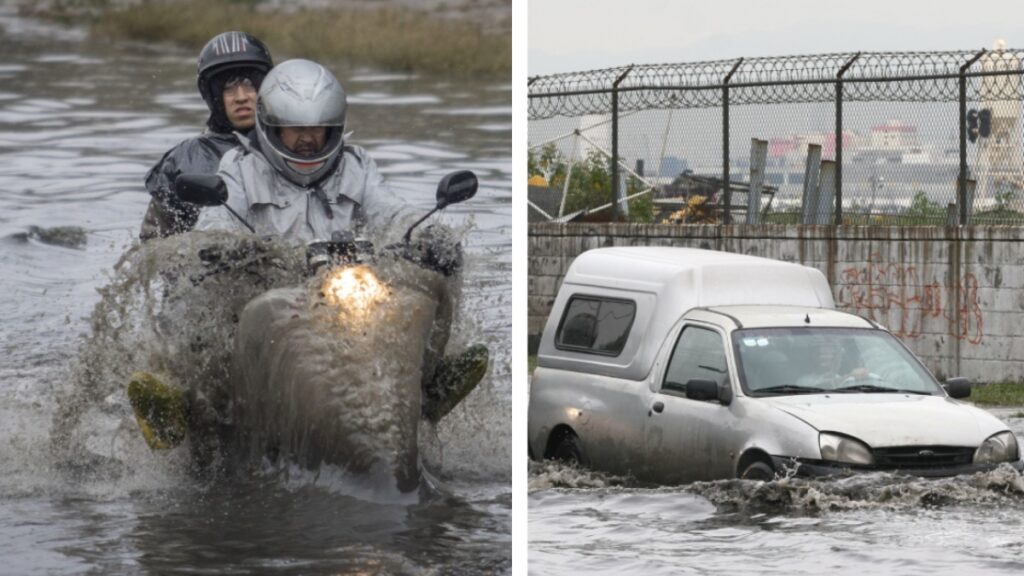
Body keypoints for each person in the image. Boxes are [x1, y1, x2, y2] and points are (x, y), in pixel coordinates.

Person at [139, 31, 273, 241]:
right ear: (212, 95)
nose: (241, 97)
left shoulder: (296, 143)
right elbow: (153, 247)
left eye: (249, 84)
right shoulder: (183, 160)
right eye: (228, 88)